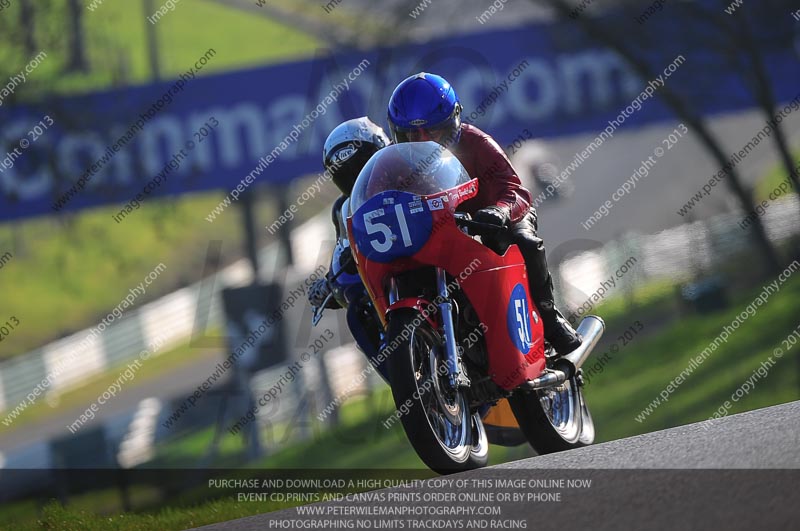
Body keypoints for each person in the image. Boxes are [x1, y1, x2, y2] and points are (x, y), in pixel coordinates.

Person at [386, 72, 582, 357]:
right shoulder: (393, 162)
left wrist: (499, 211)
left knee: (523, 240)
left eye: (433, 132)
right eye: (411, 135)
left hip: (488, 225)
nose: (422, 141)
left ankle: (549, 318)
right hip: (436, 236)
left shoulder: (477, 143)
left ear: (452, 122)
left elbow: (515, 190)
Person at [307, 116, 389, 324]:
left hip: (422, 260)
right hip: (380, 279)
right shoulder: (341, 210)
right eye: (348, 174)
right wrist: (329, 283)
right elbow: (343, 249)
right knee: (357, 311)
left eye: (364, 167)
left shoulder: (409, 179)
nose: (360, 178)